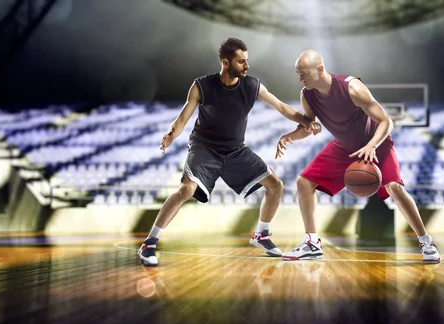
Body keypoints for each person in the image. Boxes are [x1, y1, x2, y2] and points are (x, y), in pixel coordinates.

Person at [137, 38, 320, 266]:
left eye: (247, 60)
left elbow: (282, 107)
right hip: (204, 148)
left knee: (275, 185)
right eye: (241, 61)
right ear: (226, 62)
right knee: (186, 189)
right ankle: (149, 243)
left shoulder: (252, 85)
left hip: (235, 151)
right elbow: (183, 117)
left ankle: (261, 235)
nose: (247, 65)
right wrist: (171, 135)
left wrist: (306, 121)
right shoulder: (202, 85)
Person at [275, 49, 440, 263]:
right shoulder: (307, 95)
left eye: (304, 73)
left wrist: (372, 145)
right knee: (304, 183)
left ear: (320, 69)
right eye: (298, 73)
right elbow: (309, 125)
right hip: (345, 147)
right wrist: (290, 136)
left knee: (395, 188)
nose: (300, 78)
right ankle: (312, 243)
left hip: (376, 143)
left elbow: (386, 121)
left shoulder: (352, 87)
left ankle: (426, 242)